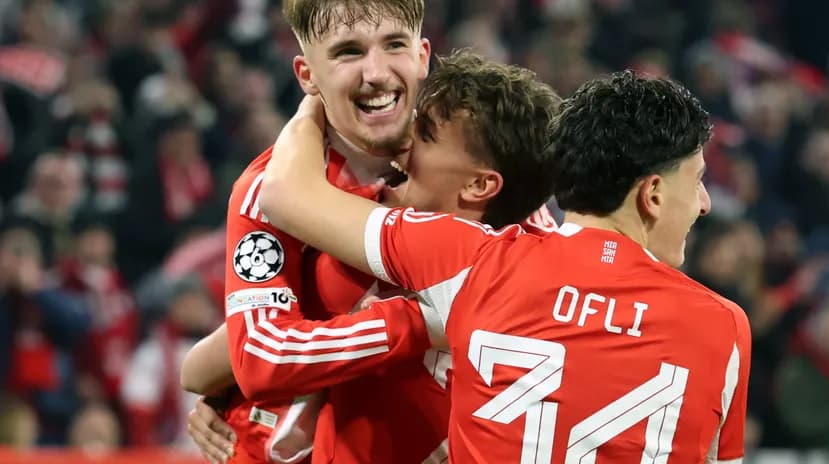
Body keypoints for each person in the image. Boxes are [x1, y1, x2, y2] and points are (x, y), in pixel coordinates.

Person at [258, 71, 752, 463]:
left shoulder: (471, 261)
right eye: (698, 181)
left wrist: (316, 97)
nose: (704, 202)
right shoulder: (721, 328)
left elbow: (283, 194)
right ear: (653, 194)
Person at [185, 49, 560, 464]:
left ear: (479, 185)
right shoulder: (529, 243)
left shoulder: (396, 246)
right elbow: (206, 367)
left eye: (426, 135)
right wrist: (228, 398)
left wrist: (312, 107)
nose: (404, 142)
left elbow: (283, 197)